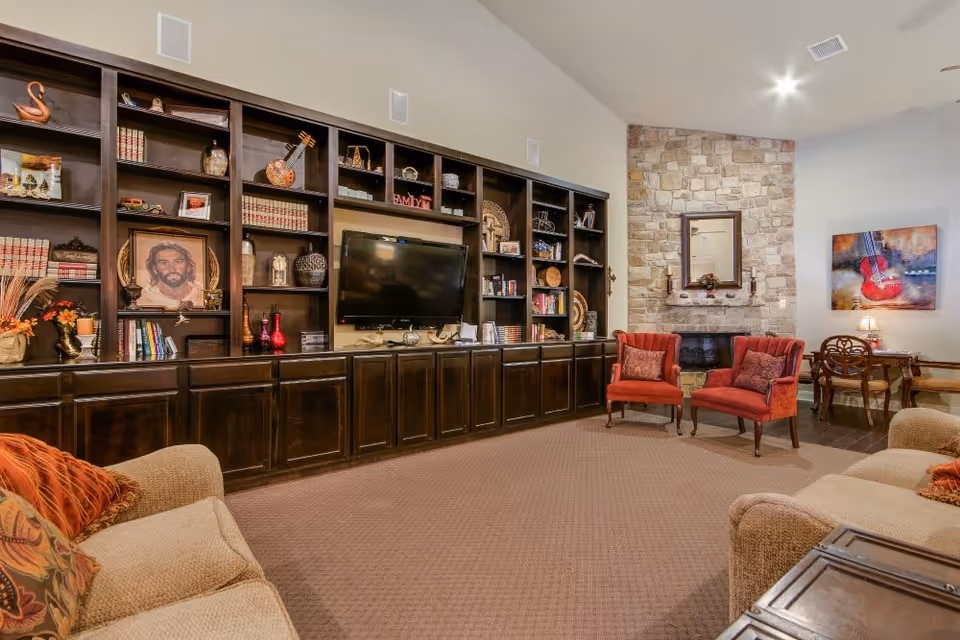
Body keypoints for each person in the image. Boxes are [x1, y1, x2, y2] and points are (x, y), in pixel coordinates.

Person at [138, 242, 204, 309]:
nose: (172, 269)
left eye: (178, 262)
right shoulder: (146, 297)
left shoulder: (201, 293)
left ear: (188, 267)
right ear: (154, 269)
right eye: (164, 263)